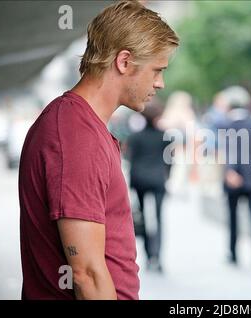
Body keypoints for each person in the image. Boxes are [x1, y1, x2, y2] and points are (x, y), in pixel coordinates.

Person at [18, 1, 179, 299]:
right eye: (157, 70)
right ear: (124, 62)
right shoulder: (75, 135)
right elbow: (86, 274)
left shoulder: (80, 125)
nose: (160, 83)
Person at [222, 86, 251, 269]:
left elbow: (229, 152)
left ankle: (233, 254)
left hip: (233, 178)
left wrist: (230, 171)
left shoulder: (227, 125)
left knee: (233, 217)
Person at [126, 103, 171, 273]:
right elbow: (169, 161)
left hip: (140, 180)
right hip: (158, 180)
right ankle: (157, 256)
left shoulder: (135, 137)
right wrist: (167, 177)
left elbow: (131, 160)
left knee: (144, 218)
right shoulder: (165, 136)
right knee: (159, 219)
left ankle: (148, 255)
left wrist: (131, 184)